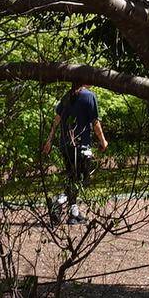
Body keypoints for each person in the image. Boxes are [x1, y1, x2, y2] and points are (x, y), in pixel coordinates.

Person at [42, 82, 107, 220]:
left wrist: (49, 140)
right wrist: (103, 141)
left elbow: (56, 120)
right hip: (81, 145)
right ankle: (58, 201)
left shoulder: (67, 96)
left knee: (72, 178)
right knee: (82, 180)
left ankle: (73, 213)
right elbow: (95, 122)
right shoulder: (89, 96)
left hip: (66, 145)